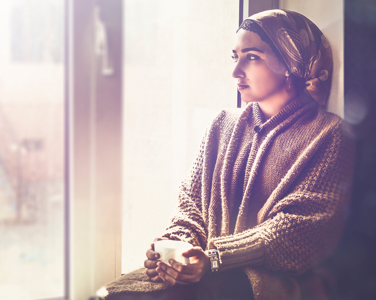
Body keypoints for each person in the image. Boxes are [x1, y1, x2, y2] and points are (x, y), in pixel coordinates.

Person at [101, 9, 355, 300]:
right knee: (113, 293)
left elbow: (301, 231)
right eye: (235, 57)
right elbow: (191, 204)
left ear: (289, 63)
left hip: (278, 285)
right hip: (207, 274)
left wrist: (215, 259)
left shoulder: (331, 134)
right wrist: (175, 249)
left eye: (252, 57)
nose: (235, 72)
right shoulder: (223, 124)